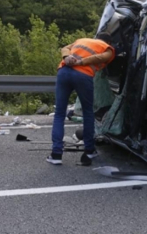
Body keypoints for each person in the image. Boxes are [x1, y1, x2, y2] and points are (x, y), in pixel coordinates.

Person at [47, 32, 115, 166]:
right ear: (109, 42)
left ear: (96, 38)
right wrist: (81, 62)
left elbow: (64, 48)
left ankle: (56, 155)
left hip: (64, 72)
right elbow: (101, 57)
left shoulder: (82, 40)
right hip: (83, 75)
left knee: (60, 114)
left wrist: (67, 57)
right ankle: (89, 151)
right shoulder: (108, 48)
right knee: (88, 113)